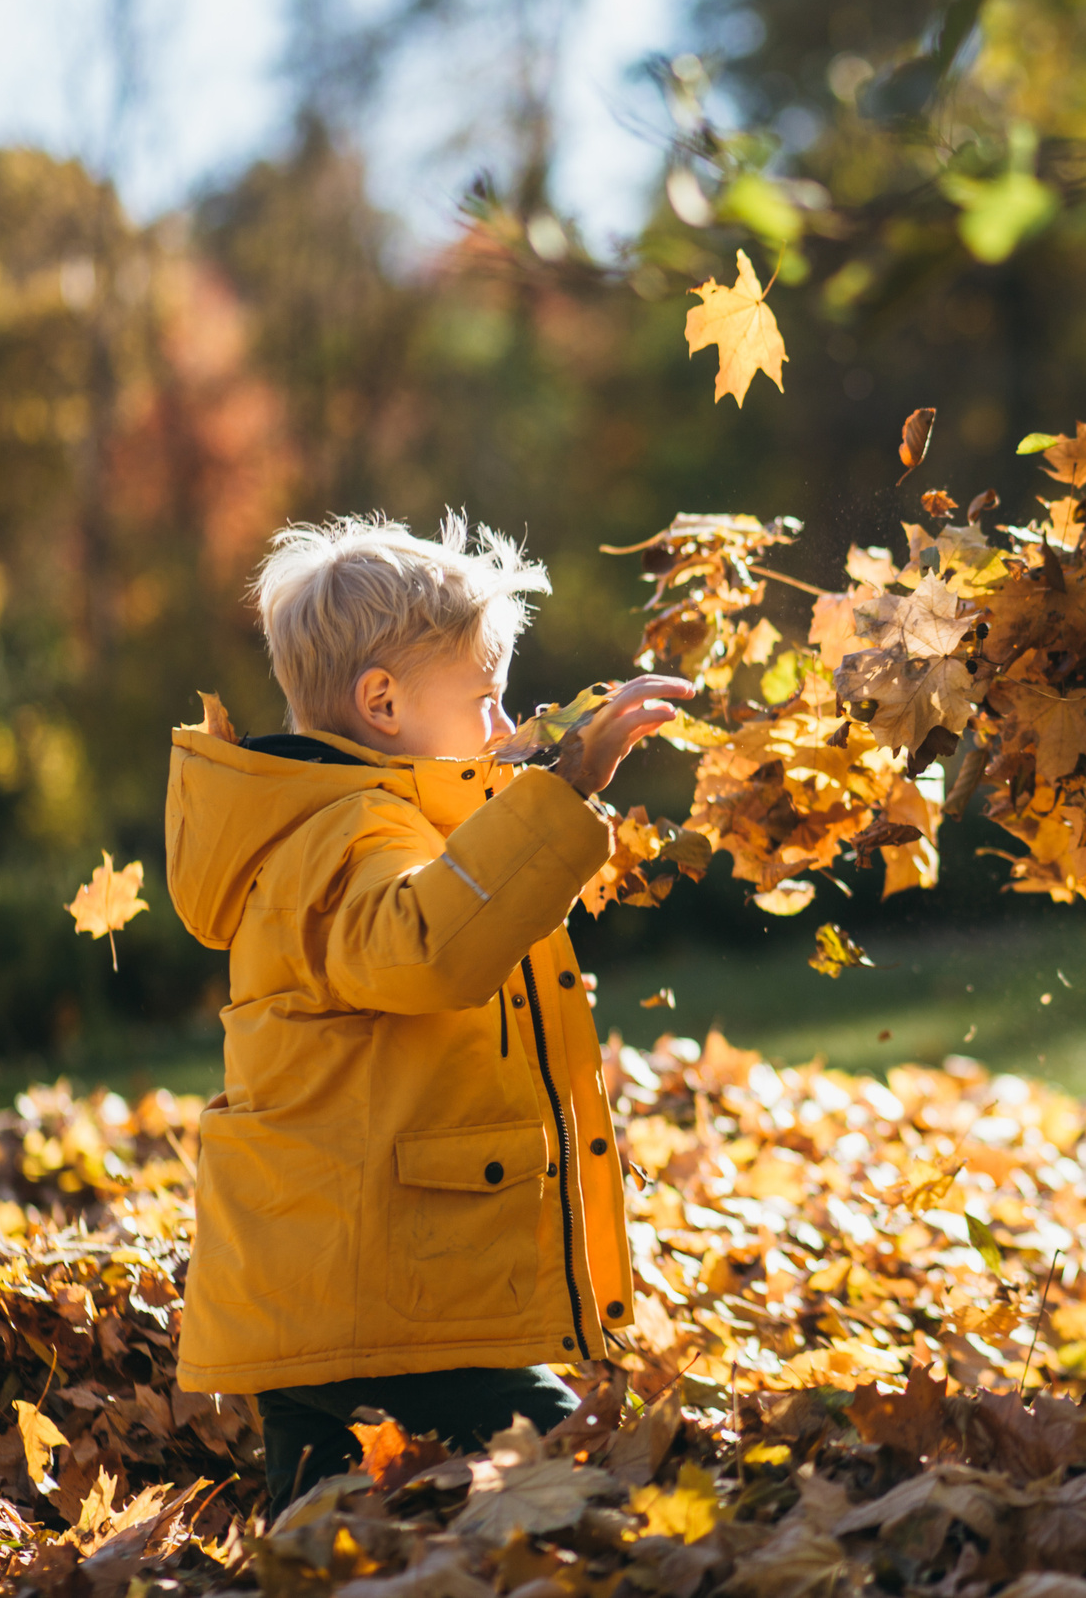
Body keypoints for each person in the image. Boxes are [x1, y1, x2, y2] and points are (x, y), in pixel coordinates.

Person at [165, 512, 695, 1513]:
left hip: (325, 1301)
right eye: (486, 700)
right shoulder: (350, 832)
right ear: (383, 701)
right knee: (571, 1489)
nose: (503, 729)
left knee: (329, 1538)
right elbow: (423, 948)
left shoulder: (332, 821)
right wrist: (563, 790)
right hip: (397, 1306)